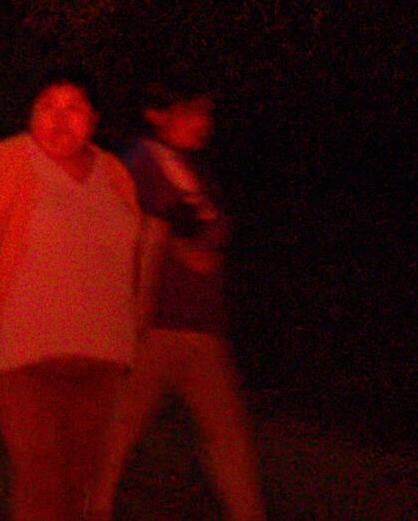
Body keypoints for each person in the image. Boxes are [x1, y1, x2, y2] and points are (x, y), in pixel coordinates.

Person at [0, 78, 144, 521]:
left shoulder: (114, 174)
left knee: (82, 478)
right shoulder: (3, 164)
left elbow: (132, 248)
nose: (60, 119)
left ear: (94, 119)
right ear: (30, 114)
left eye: (75, 107)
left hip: (101, 353)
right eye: (47, 106)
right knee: (41, 474)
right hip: (21, 354)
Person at [89, 82, 265, 521]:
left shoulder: (195, 171)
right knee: (117, 434)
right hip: (153, 329)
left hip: (203, 328)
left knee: (228, 439)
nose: (203, 123)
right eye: (191, 112)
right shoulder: (137, 166)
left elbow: (209, 233)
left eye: (206, 112)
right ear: (157, 113)